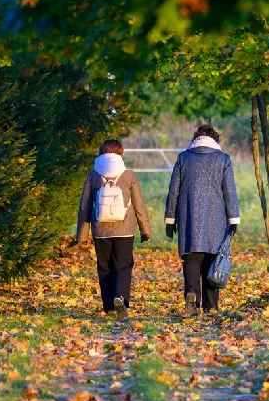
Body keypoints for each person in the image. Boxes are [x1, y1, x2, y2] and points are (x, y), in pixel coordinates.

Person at [165, 124, 240, 315]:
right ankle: (211, 306)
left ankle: (191, 294)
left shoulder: (183, 158)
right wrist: (234, 218)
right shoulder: (223, 159)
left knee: (191, 259)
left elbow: (173, 190)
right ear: (215, 140)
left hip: (187, 215)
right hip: (216, 218)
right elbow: (229, 191)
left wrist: (170, 218)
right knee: (212, 260)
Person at [76, 139, 152, 317]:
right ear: (120, 153)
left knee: (104, 266)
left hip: (100, 230)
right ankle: (120, 297)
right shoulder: (128, 175)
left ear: (101, 152)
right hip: (125, 229)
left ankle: (109, 306)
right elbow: (139, 205)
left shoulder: (93, 175)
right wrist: (145, 230)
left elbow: (84, 206)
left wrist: (82, 234)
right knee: (123, 265)